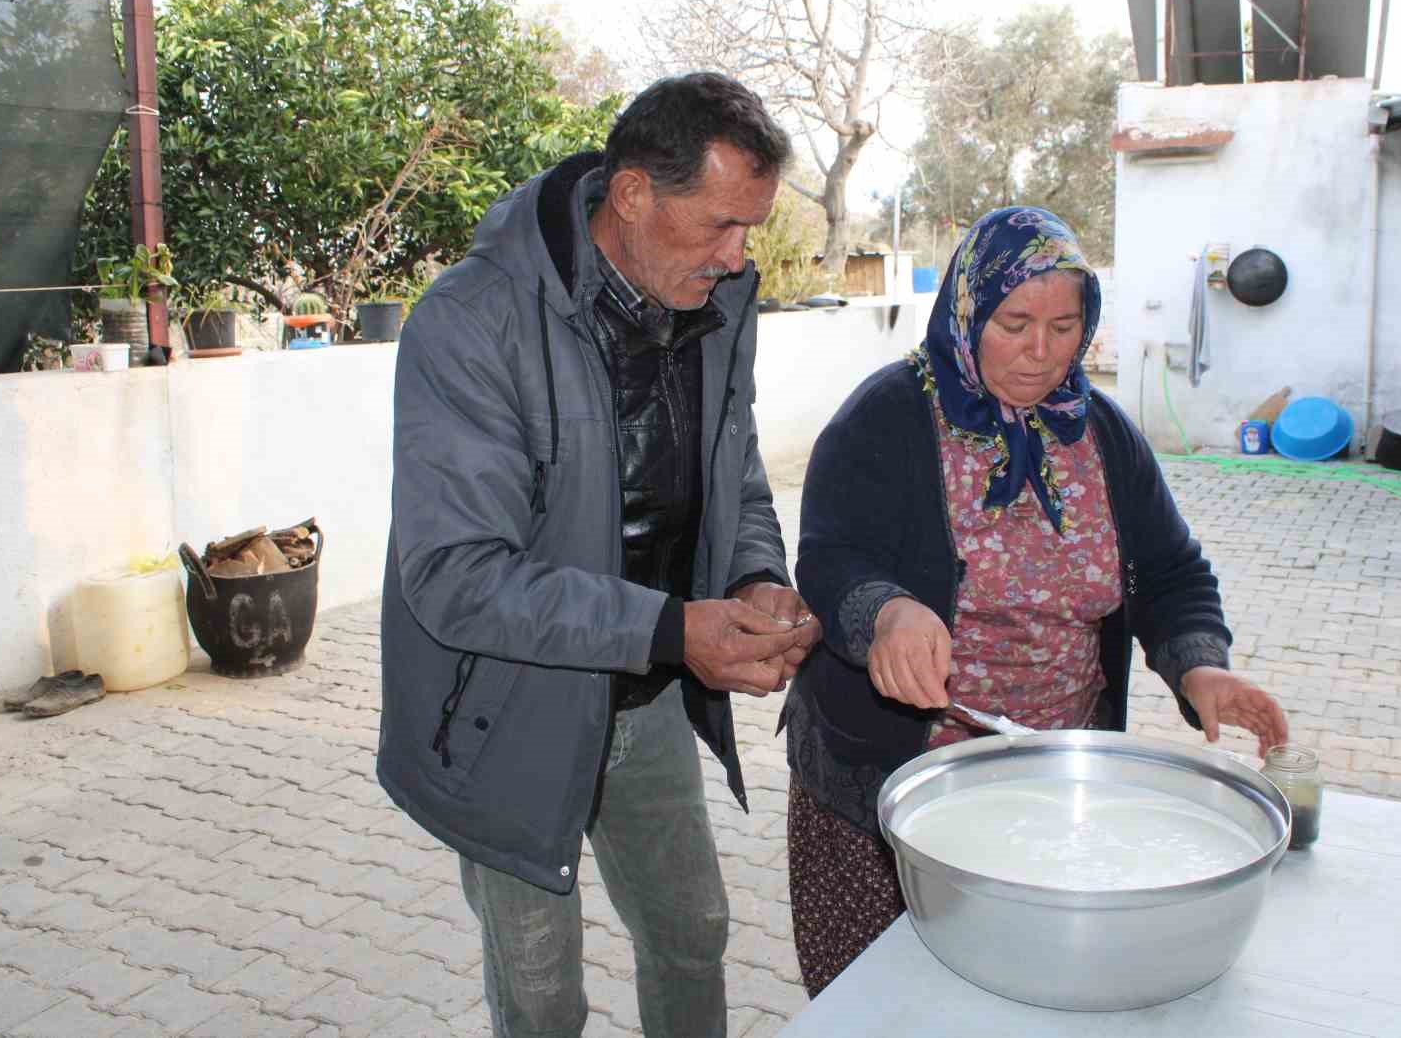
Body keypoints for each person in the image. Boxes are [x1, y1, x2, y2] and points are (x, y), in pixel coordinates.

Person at [377, 72, 821, 1038]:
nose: (742, 256)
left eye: (752, 227)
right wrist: (671, 627)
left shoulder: (716, 299)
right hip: (510, 705)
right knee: (542, 1002)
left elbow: (732, 468)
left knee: (694, 934)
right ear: (632, 195)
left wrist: (755, 580)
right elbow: (453, 574)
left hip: (650, 690)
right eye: (720, 225)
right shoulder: (471, 320)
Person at [779, 206, 1290, 995]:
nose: (1041, 351)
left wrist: (1199, 670)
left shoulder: (1099, 433)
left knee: (1023, 994)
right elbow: (830, 556)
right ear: (969, 308)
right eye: (1014, 322)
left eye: (1064, 325)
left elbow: (1169, 572)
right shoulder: (886, 417)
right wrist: (886, 612)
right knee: (883, 1001)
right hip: (892, 784)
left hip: (1048, 784)